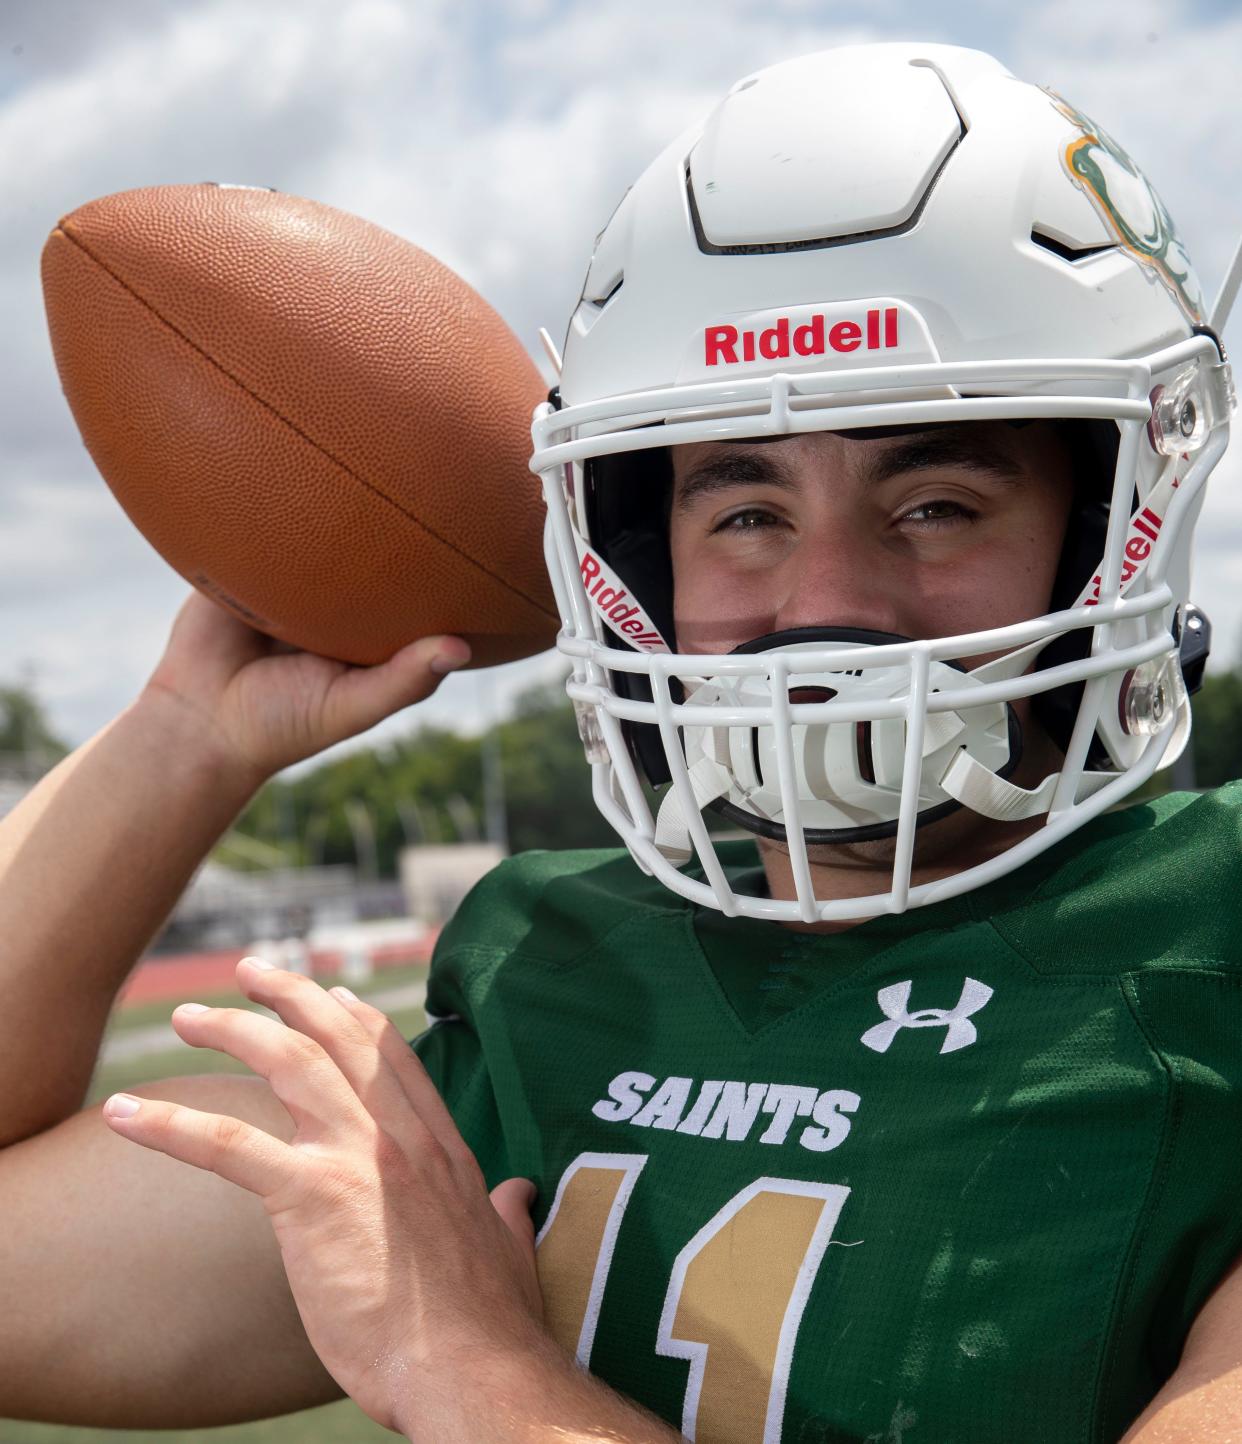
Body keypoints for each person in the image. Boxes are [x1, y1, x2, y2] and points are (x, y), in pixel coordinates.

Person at [0, 39, 1239, 1444]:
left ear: (1113, 532)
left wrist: (473, 1372)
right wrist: (179, 744)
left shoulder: (1211, 936)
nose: (822, 606)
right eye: (744, 513)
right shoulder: (550, 984)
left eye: (936, 502)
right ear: (637, 571)